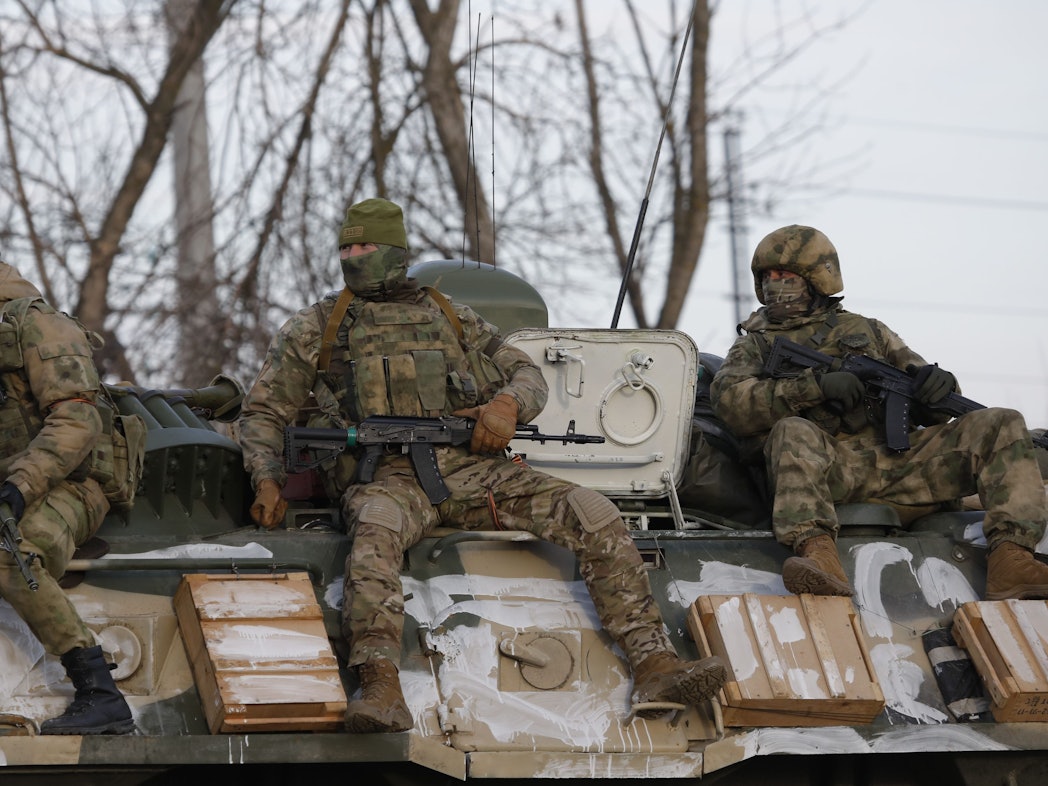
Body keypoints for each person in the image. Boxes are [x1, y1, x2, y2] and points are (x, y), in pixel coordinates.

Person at [238, 198, 727, 733]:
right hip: (386, 478)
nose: (354, 257)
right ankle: (380, 686)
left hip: (471, 470)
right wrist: (266, 476)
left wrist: (506, 407)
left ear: (396, 251)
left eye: (366, 246)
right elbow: (265, 410)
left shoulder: (451, 315)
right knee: (373, 535)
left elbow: (528, 374)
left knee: (589, 511)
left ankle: (654, 662)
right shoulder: (317, 326)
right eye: (346, 247)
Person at [710, 224, 1048, 600]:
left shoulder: (869, 331)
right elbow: (731, 404)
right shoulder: (754, 345)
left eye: (786, 276)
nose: (776, 285)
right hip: (830, 472)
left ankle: (1012, 560)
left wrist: (939, 386)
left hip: (897, 462)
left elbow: (923, 391)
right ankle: (819, 557)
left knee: (1002, 421)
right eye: (769, 277)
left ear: (817, 278)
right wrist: (814, 386)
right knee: (792, 430)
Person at [0, 259, 134, 735]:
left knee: (9, 551)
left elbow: (78, 420)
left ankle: (100, 692)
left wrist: (20, 487)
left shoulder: (37, 325)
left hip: (73, 482)